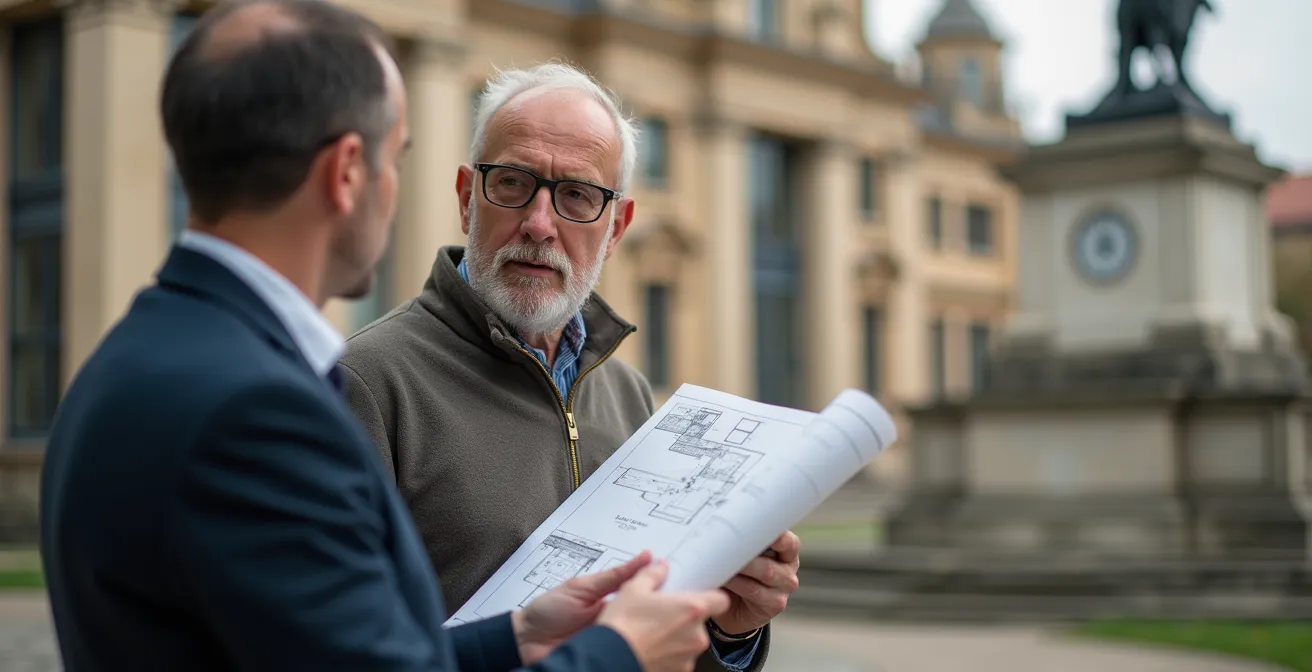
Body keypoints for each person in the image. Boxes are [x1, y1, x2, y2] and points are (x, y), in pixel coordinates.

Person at [37, 2, 730, 670]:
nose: (541, 222)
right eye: (394, 157)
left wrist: (516, 636)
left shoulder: (151, 351)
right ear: (346, 173)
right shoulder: (260, 408)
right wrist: (616, 654)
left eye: (576, 196)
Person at [339, 63, 799, 672]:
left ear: (617, 229)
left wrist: (725, 631)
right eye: (511, 183)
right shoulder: (363, 383)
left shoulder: (628, 394)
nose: (538, 223)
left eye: (578, 195)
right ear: (465, 199)